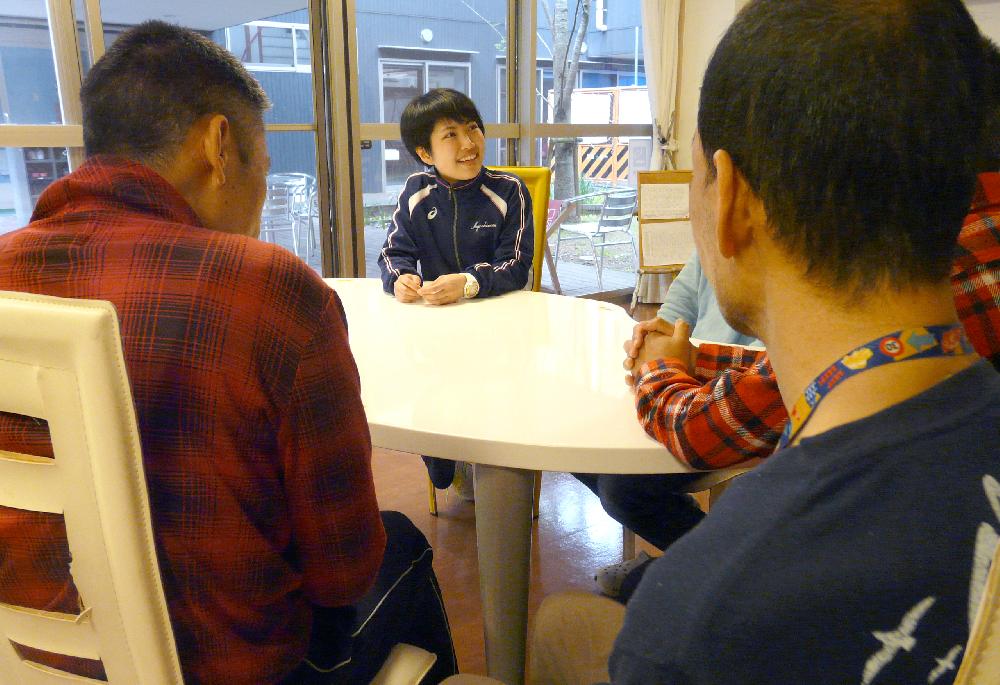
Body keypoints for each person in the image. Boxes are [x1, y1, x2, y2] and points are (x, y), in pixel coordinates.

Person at [531, 1, 1000, 683]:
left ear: (733, 201)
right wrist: (694, 358)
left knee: (556, 622)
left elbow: (714, 425)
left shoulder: (702, 614)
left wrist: (665, 369)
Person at [0, 22, 455, 685]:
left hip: (31, 659)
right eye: (262, 165)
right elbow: (342, 571)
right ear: (218, 145)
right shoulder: (268, 291)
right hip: (235, 666)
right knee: (401, 545)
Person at [576, 251, 764, 598]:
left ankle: (715, 570)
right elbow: (672, 319)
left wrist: (664, 367)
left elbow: (717, 415)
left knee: (622, 488)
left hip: (724, 412)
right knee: (580, 446)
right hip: (702, 389)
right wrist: (658, 350)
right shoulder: (711, 250)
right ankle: (695, 556)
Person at [377, 88, 534, 491]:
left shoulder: (509, 190)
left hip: (501, 325)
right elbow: (393, 252)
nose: (469, 143)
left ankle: (492, 459)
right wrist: (401, 278)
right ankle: (438, 449)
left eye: (473, 128)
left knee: (496, 397)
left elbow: (516, 266)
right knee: (420, 379)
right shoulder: (416, 190)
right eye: (451, 135)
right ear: (425, 152)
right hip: (437, 328)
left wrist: (467, 283)